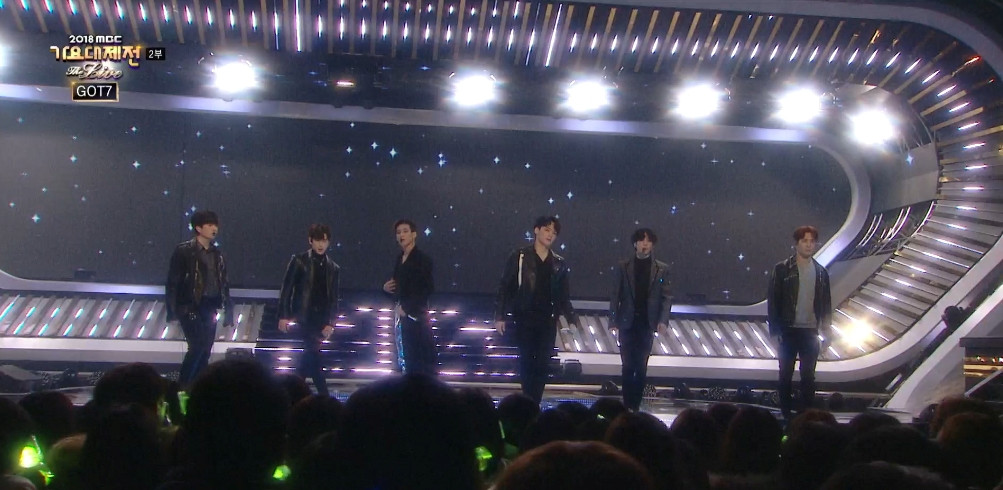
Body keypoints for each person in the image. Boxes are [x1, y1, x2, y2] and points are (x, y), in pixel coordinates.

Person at [494, 216, 577, 404]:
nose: (550, 235)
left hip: (547, 320)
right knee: (527, 362)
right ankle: (527, 402)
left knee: (542, 364)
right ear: (536, 230)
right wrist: (499, 315)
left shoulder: (558, 263)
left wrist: (572, 319)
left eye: (554, 233)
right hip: (525, 318)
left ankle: (535, 403)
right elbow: (505, 286)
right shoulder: (520, 256)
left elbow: (563, 296)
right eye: (547, 230)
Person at [767, 225, 832, 419]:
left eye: (812, 241)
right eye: (805, 241)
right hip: (788, 330)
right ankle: (786, 414)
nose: (809, 245)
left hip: (810, 331)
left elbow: (826, 304)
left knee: (808, 376)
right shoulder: (782, 269)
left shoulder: (821, 272)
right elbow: (774, 301)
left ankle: (806, 416)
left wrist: (827, 331)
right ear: (796, 244)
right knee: (785, 374)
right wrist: (774, 331)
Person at [165, 210, 233, 388]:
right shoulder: (184, 251)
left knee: (205, 350)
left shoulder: (217, 254)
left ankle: (197, 387)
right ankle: (182, 387)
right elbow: (173, 282)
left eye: (215, 225)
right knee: (197, 346)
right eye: (209, 225)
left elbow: (224, 283)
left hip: (210, 306)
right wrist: (172, 311)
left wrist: (228, 310)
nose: (214, 228)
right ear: (198, 228)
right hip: (190, 306)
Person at [609, 228, 672, 411]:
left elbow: (666, 297)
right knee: (627, 365)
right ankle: (627, 404)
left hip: (647, 323)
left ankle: (635, 405)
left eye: (648, 241)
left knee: (641, 365)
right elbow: (615, 295)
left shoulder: (661, 269)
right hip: (627, 322)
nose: (645, 244)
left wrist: (663, 320)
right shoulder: (624, 267)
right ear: (635, 243)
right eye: (642, 240)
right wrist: (613, 321)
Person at [278, 224, 340, 396]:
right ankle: (323, 395)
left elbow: (334, 298)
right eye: (318, 240)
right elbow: (287, 288)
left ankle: (292, 393)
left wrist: (331, 322)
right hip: (303, 317)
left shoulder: (333, 268)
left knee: (309, 358)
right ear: (310, 241)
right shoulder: (299, 261)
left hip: (321, 320)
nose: (321, 245)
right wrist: (284, 315)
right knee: (313, 354)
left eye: (324, 241)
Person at [382, 219, 436, 375]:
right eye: (398, 232)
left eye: (405, 231)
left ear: (414, 234)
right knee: (403, 356)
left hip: (416, 317)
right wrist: (385, 289)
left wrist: (407, 308)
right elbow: (397, 286)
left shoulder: (422, 260)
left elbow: (427, 289)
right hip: (401, 318)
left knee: (417, 358)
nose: (401, 235)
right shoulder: (399, 259)